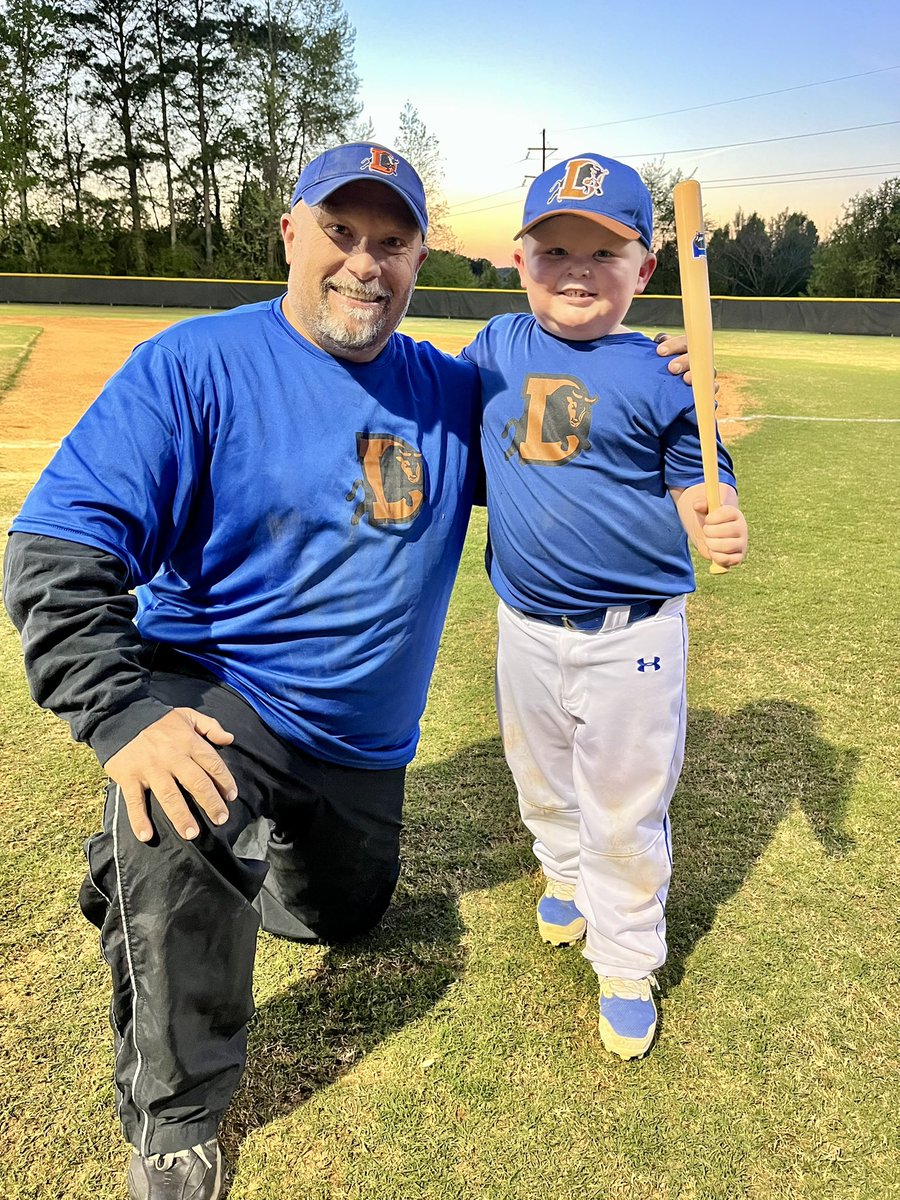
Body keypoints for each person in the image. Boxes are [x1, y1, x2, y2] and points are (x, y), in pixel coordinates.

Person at [3, 143, 694, 1197]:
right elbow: (55, 549)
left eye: (392, 241)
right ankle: (176, 1113)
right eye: (341, 232)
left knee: (346, 919)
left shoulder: (448, 390)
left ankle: (200, 873)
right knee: (175, 807)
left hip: (362, 750)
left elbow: (561, 423)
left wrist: (646, 373)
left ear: (422, 258)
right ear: (290, 233)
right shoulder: (195, 365)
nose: (364, 264)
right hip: (224, 694)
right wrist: (121, 713)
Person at [460, 152, 749, 1061]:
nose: (576, 271)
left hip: (634, 638)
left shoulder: (669, 373)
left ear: (644, 271)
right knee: (540, 775)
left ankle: (626, 956)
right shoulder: (496, 347)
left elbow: (697, 473)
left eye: (604, 252)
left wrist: (710, 508)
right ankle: (560, 870)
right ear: (518, 258)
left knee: (623, 805)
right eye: (554, 250)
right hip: (523, 625)